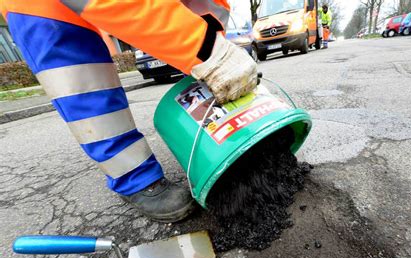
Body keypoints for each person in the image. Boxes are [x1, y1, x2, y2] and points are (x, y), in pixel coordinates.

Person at [0, 0, 257, 223]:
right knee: (81, 80)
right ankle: (136, 178)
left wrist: (216, 55)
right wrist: (205, 48)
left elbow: (204, 10)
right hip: (42, 10)